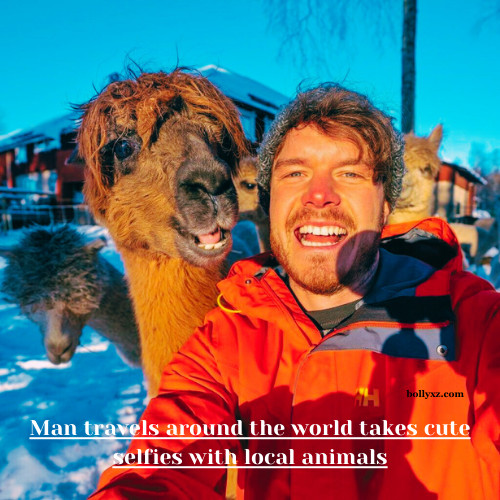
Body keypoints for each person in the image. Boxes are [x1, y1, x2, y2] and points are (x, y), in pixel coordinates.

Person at [91, 84, 499, 499]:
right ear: (270, 198)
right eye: (295, 173)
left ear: (386, 203)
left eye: (350, 173)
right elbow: (163, 463)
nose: (320, 196)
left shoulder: (476, 326)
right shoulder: (220, 345)